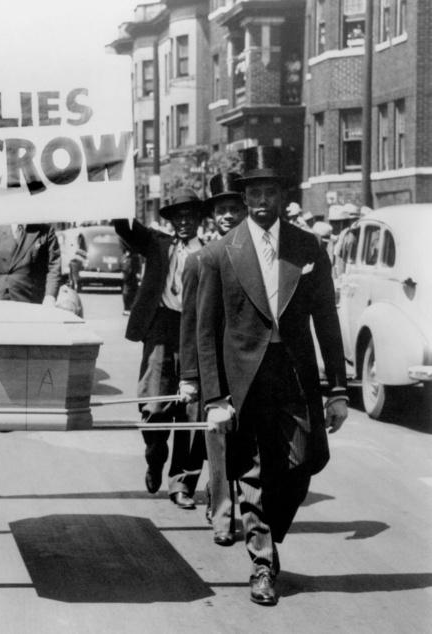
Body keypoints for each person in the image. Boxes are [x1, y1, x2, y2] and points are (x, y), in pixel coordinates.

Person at [196, 146, 348, 606]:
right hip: (245, 382)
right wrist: (214, 398)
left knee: (303, 466)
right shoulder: (220, 254)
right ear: (244, 199)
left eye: (270, 192)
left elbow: (326, 319)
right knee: (257, 471)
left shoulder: (308, 247)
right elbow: (206, 332)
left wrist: (338, 389)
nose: (262, 201)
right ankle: (263, 562)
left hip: (294, 374)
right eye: (254, 193)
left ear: (283, 195)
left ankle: (267, 535)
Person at [113, 189, 209, 511]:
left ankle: (182, 484)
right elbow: (126, 228)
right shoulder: (157, 243)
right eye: (178, 216)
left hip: (194, 333)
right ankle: (156, 457)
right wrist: (117, 190)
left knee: (192, 414)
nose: (184, 222)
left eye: (190, 216)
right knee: (153, 406)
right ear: (171, 221)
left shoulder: (210, 253)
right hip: (160, 329)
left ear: (199, 219)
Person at [178, 172, 248, 547]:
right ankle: (223, 515)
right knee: (218, 441)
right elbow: (190, 324)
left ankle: (240, 503)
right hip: (214, 369)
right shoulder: (199, 260)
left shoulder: (258, 257)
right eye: (221, 210)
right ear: (212, 216)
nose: (227, 216)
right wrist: (190, 376)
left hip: (250, 366)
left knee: (245, 446)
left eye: (234, 208)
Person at [0, 223, 61, 305]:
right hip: (2, 301)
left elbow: (53, 267)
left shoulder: (45, 230)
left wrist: (50, 297)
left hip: (32, 301)